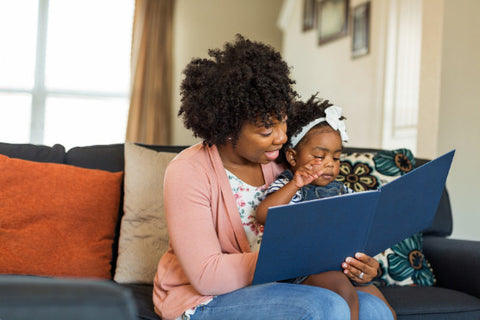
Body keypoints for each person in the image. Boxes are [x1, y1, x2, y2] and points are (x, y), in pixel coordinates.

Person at [153, 34, 394, 320]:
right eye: (266, 130)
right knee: (324, 308)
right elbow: (206, 275)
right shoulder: (188, 172)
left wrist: (358, 265)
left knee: (374, 310)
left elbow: (325, 221)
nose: (281, 137)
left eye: (283, 119)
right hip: (206, 298)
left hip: (283, 285)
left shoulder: (285, 161)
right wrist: (295, 260)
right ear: (229, 128)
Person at [256, 95, 396, 320]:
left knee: (383, 307)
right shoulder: (289, 184)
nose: (331, 163)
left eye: (337, 157)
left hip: (342, 265)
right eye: (320, 156)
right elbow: (264, 215)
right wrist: (295, 184)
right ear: (292, 156)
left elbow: (363, 222)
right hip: (303, 271)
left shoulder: (342, 189)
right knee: (342, 289)